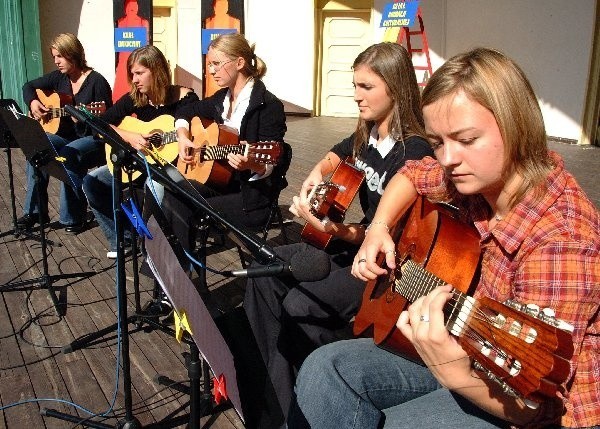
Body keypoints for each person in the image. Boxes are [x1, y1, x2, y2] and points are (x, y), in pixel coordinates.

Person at [289, 48, 599, 429]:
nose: (448, 158)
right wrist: (379, 228)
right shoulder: (470, 177)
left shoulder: (560, 242)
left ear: (518, 126)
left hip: (524, 402)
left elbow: (538, 407)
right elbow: (413, 174)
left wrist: (451, 370)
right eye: (438, 142)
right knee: (324, 368)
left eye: (466, 139)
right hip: (460, 345)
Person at [243, 42, 433, 429]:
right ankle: (273, 400)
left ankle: (323, 389)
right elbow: (337, 155)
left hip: (384, 267)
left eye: (366, 87)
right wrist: (317, 172)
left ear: (395, 88)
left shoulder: (413, 149)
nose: (356, 96)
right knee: (263, 271)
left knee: (299, 304)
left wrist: (338, 229)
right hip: (348, 244)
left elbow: (392, 235)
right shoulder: (367, 134)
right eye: (354, 85)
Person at [161, 32, 289, 259]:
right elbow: (184, 112)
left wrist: (252, 163)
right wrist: (182, 135)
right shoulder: (221, 98)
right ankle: (174, 275)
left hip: (251, 195)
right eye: (209, 64)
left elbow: (273, 162)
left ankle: (177, 275)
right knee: (172, 190)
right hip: (221, 182)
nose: (211, 71)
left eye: (216, 64)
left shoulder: (268, 106)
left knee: (183, 205)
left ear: (240, 62)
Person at [82, 45, 198, 258]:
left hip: (170, 167)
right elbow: (97, 125)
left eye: (139, 73)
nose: (134, 79)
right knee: (92, 183)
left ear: (157, 70)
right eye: (132, 74)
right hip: (138, 163)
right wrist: (129, 136)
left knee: (154, 187)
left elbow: (193, 128)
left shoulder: (185, 98)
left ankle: (156, 251)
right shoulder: (135, 98)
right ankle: (123, 239)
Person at [19, 33, 113, 233]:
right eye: (54, 57)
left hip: (93, 140)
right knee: (37, 147)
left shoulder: (97, 82)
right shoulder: (59, 78)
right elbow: (28, 86)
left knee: (70, 154)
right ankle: (35, 212)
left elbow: (109, 121)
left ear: (73, 54)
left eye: (60, 56)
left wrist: (87, 119)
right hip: (66, 136)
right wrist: (33, 102)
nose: (56, 61)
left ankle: (73, 217)